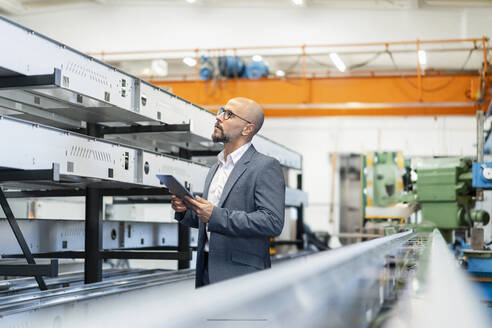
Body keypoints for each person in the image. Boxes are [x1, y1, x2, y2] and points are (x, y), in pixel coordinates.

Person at [171, 97, 285, 288]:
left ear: (247, 128)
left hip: (242, 275)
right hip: (207, 269)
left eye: (229, 114)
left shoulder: (265, 166)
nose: (219, 118)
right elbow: (209, 222)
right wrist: (186, 211)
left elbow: (272, 222)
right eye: (221, 111)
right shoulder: (216, 168)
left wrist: (215, 214)